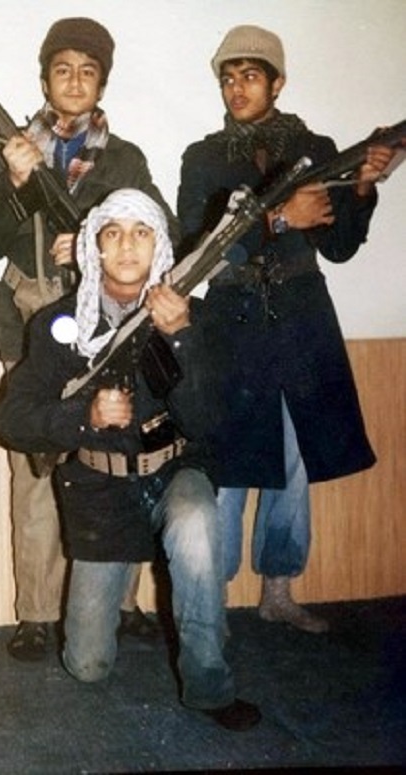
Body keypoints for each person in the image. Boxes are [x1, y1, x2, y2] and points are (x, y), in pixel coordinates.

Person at [0, 188, 261, 732]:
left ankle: (209, 685)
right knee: (86, 666)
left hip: (175, 471)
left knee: (197, 522)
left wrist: (180, 338)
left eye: (142, 233)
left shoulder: (193, 316)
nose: (128, 245)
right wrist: (84, 416)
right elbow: (9, 419)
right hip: (102, 492)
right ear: (94, 247)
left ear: (160, 246)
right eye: (112, 233)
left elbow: (210, 421)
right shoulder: (58, 325)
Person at [0, 17, 176, 660]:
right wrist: (16, 183)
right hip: (32, 321)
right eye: (63, 69)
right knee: (35, 469)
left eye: (88, 71)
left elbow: (162, 232)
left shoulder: (125, 158)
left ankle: (124, 603)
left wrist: (91, 239)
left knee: (119, 459)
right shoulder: (8, 151)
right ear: (45, 80)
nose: (75, 81)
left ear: (101, 83)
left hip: (109, 322)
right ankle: (35, 613)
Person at [177, 25, 397, 633]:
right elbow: (197, 248)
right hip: (231, 317)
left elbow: (341, 246)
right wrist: (277, 219)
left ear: (278, 83)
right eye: (228, 78)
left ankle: (278, 589)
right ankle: (212, 597)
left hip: (301, 316)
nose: (236, 89)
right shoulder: (203, 157)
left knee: (294, 457)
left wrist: (362, 185)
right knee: (226, 463)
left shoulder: (316, 148)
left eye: (250, 76)